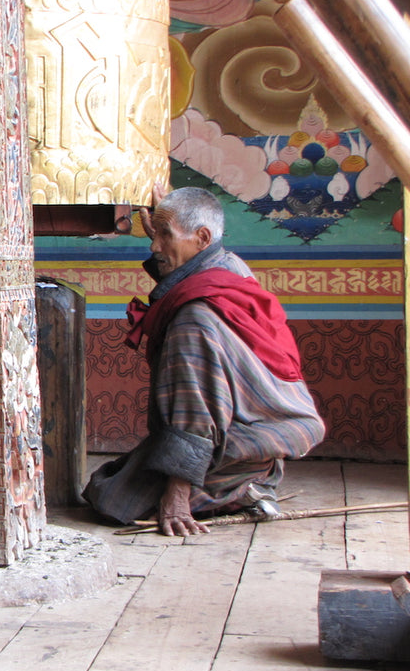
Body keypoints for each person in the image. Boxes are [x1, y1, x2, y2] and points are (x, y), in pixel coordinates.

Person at [84, 186, 326, 536]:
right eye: (157, 235)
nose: (154, 246)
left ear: (202, 237)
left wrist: (176, 498)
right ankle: (249, 483)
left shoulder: (194, 318)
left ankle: (231, 489)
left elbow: (195, 410)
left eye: (165, 236)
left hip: (249, 434)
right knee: (130, 473)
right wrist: (165, 233)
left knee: (110, 497)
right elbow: (187, 279)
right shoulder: (228, 266)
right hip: (278, 428)